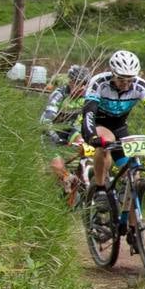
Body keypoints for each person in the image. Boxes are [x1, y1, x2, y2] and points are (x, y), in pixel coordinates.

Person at [80, 50, 145, 251]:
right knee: (105, 145)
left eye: (129, 80)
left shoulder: (141, 85)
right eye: (121, 80)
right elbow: (89, 113)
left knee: (132, 176)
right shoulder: (99, 83)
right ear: (112, 74)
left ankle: (134, 227)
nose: (126, 84)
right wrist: (91, 136)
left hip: (120, 127)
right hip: (100, 125)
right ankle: (99, 189)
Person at [41, 64, 91, 196]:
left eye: (85, 84)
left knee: (86, 146)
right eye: (78, 84)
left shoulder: (87, 97)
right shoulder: (60, 94)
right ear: (70, 82)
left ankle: (84, 174)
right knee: (57, 164)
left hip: (70, 129)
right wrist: (55, 138)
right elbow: (45, 121)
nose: (82, 88)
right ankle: (66, 178)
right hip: (50, 131)